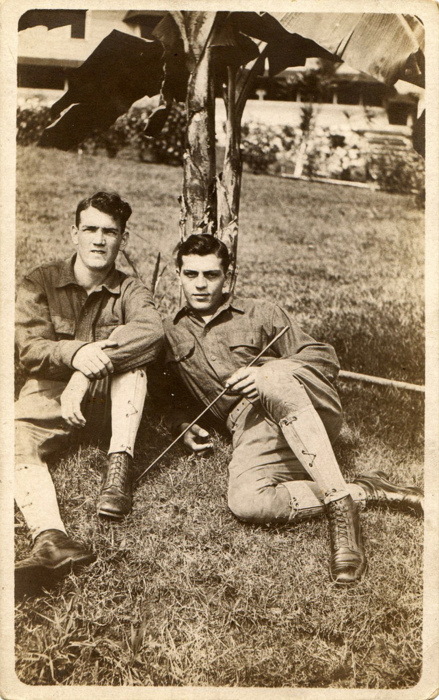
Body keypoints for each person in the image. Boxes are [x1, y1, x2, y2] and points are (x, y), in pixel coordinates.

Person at [150, 234, 423, 584]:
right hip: (250, 427)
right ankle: (363, 490)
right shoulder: (170, 333)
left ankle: (342, 519)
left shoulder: (261, 312)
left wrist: (267, 373)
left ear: (228, 277)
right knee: (247, 502)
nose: (200, 284)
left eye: (211, 274)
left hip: (307, 406)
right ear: (178, 275)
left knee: (271, 377)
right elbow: (167, 396)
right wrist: (181, 424)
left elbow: (323, 357)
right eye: (191, 274)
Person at [15, 191, 163, 594]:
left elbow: (152, 333)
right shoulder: (41, 281)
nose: (99, 240)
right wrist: (77, 353)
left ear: (123, 239)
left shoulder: (131, 289)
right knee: (10, 439)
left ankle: (118, 471)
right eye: (90, 229)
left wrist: (85, 371)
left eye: (109, 232)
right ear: (74, 233)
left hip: (106, 404)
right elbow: (28, 348)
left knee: (134, 367)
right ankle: (51, 539)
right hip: (49, 397)